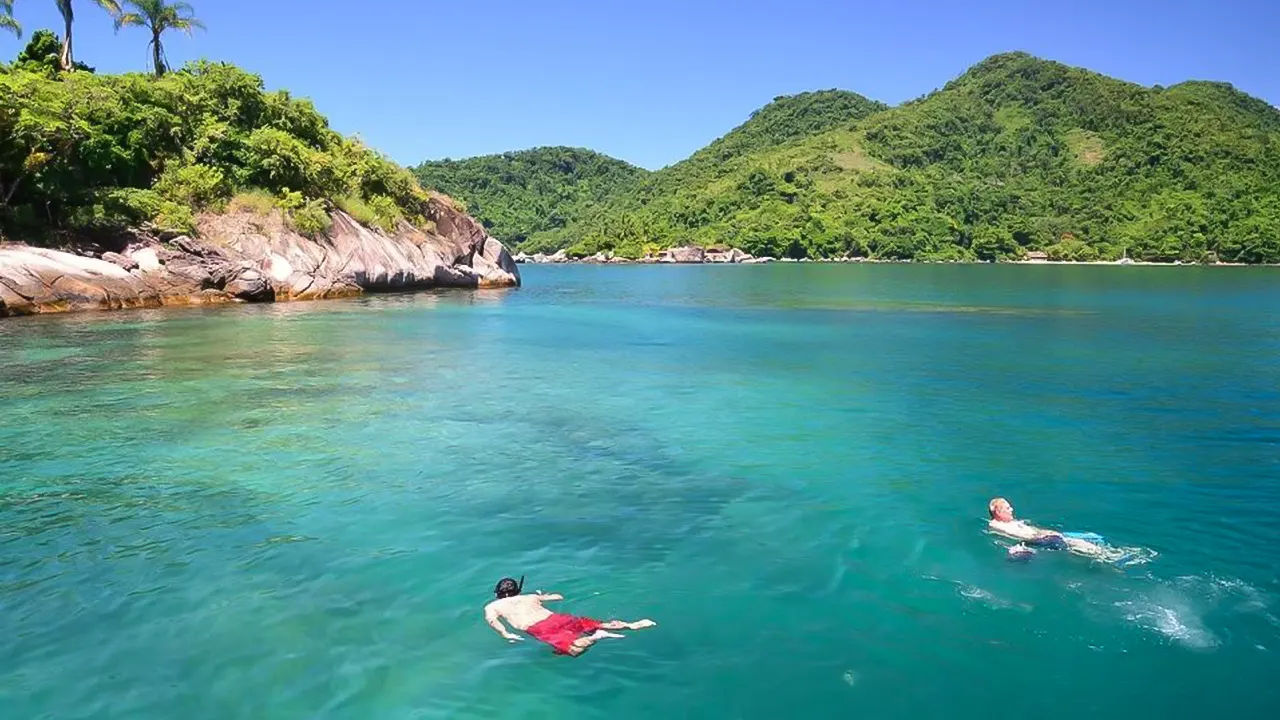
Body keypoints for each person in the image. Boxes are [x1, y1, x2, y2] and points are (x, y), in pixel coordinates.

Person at [484, 577, 657, 656]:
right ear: (517, 590)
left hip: (538, 628)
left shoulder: (492, 606)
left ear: (498, 593)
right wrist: (542, 595)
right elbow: (559, 597)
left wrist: (505, 634)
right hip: (557, 617)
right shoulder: (530, 597)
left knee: (574, 650)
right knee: (590, 624)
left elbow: (492, 620)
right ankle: (631, 625)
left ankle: (597, 636)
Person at [987, 497, 1106, 557]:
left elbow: (1031, 530)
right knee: (1069, 544)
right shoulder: (997, 525)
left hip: (1041, 537)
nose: (1011, 509)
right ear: (998, 512)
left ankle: (1104, 553)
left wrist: (1044, 532)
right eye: (1008, 508)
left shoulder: (1011, 522)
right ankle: (1101, 556)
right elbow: (1017, 536)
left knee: (1074, 541)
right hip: (1035, 541)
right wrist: (1042, 535)